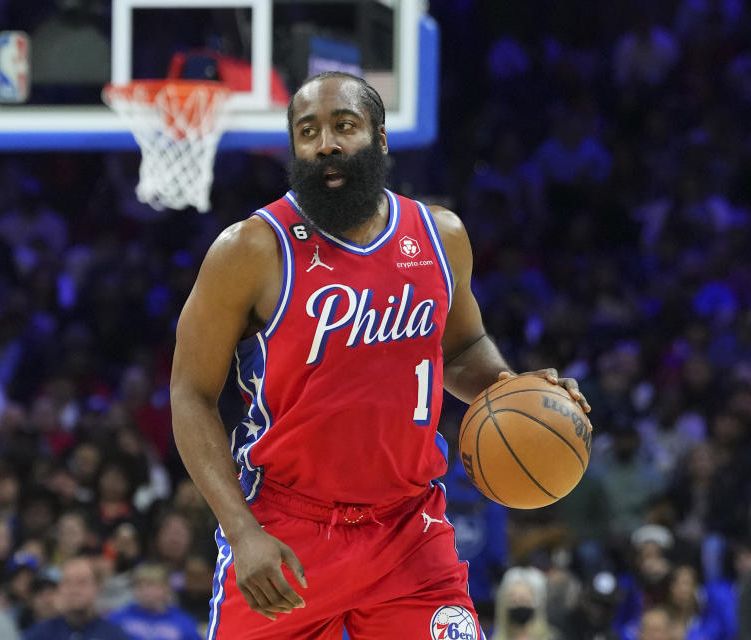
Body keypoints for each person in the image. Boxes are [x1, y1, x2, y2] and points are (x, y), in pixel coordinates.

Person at [170, 70, 590, 639]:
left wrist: (512, 389)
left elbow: (462, 348)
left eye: (344, 126)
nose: (326, 144)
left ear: (381, 138)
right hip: (288, 531)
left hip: (409, 530)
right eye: (308, 131)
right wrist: (241, 531)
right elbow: (190, 394)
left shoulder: (441, 237)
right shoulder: (250, 250)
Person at [22, 556, 128, 640]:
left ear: (97, 588)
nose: (74, 590)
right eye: (67, 583)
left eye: (82, 582)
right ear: (59, 589)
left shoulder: (114, 635)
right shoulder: (39, 634)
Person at [106, 564, 201, 640]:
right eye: (141, 586)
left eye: (153, 586)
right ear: (134, 589)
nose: (147, 591)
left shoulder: (184, 622)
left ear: (167, 589)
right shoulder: (117, 619)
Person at [490, 567, 560, 640]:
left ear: (535, 604)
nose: (520, 605)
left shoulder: (551, 637)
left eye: (524, 600)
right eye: (514, 601)